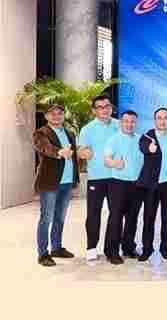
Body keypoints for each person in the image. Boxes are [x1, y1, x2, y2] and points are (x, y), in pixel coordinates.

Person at [32, 104, 79, 267]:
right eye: (53, 113)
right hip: (50, 183)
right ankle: (43, 254)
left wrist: (75, 179)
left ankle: (56, 248)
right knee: (46, 218)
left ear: (64, 115)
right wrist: (59, 152)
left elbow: (74, 158)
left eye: (60, 113)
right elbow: (44, 147)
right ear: (46, 116)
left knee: (60, 217)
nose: (57, 116)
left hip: (66, 183)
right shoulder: (41, 133)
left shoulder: (69, 133)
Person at [136, 107, 167, 263]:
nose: (162, 121)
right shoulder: (147, 137)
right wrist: (149, 149)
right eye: (159, 118)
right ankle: (147, 249)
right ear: (155, 120)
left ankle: (165, 248)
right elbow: (142, 146)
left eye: (165, 118)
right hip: (151, 185)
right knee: (149, 217)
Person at [77, 94, 119, 261]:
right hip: (96, 177)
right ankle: (91, 247)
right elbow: (81, 150)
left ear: (111, 108)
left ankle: (112, 250)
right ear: (94, 110)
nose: (104, 110)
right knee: (93, 213)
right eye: (100, 107)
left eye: (107, 106)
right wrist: (83, 152)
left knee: (116, 214)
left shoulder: (119, 125)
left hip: (117, 177)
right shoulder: (87, 129)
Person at [103, 110, 145, 264]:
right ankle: (111, 252)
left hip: (137, 185)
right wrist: (115, 163)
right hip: (118, 183)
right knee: (116, 218)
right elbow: (107, 159)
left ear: (136, 123)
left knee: (132, 217)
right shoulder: (113, 139)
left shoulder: (141, 139)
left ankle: (128, 248)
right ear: (121, 122)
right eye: (126, 121)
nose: (129, 124)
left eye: (132, 121)